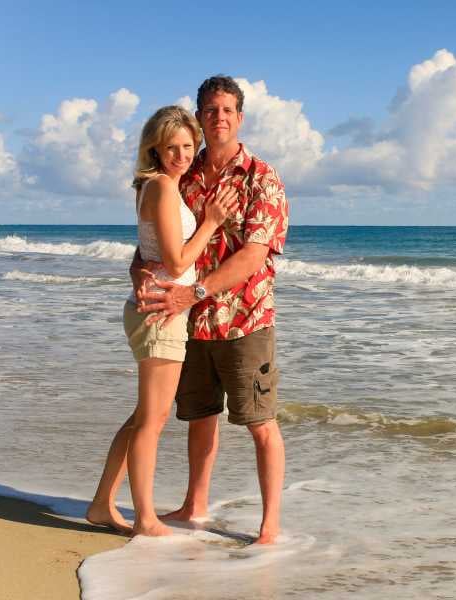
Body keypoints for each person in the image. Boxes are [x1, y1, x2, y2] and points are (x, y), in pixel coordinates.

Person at [136, 75, 290, 545]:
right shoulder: (185, 173)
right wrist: (138, 271)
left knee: (260, 423)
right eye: (209, 110)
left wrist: (194, 292)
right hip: (189, 323)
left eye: (227, 110)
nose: (218, 117)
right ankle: (194, 504)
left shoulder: (262, 177)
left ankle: (269, 526)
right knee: (199, 418)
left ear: (239, 118)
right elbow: (159, 237)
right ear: (200, 118)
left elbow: (254, 254)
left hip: (245, 319)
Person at [86, 105, 237, 536]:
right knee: (151, 422)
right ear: (155, 148)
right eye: (171, 147)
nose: (182, 155)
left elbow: (149, 253)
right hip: (161, 314)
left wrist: (140, 269)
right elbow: (175, 259)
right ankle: (145, 519)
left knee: (142, 418)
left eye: (188, 146)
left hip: (156, 308)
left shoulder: (155, 186)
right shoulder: (163, 188)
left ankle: (101, 504)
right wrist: (210, 223)